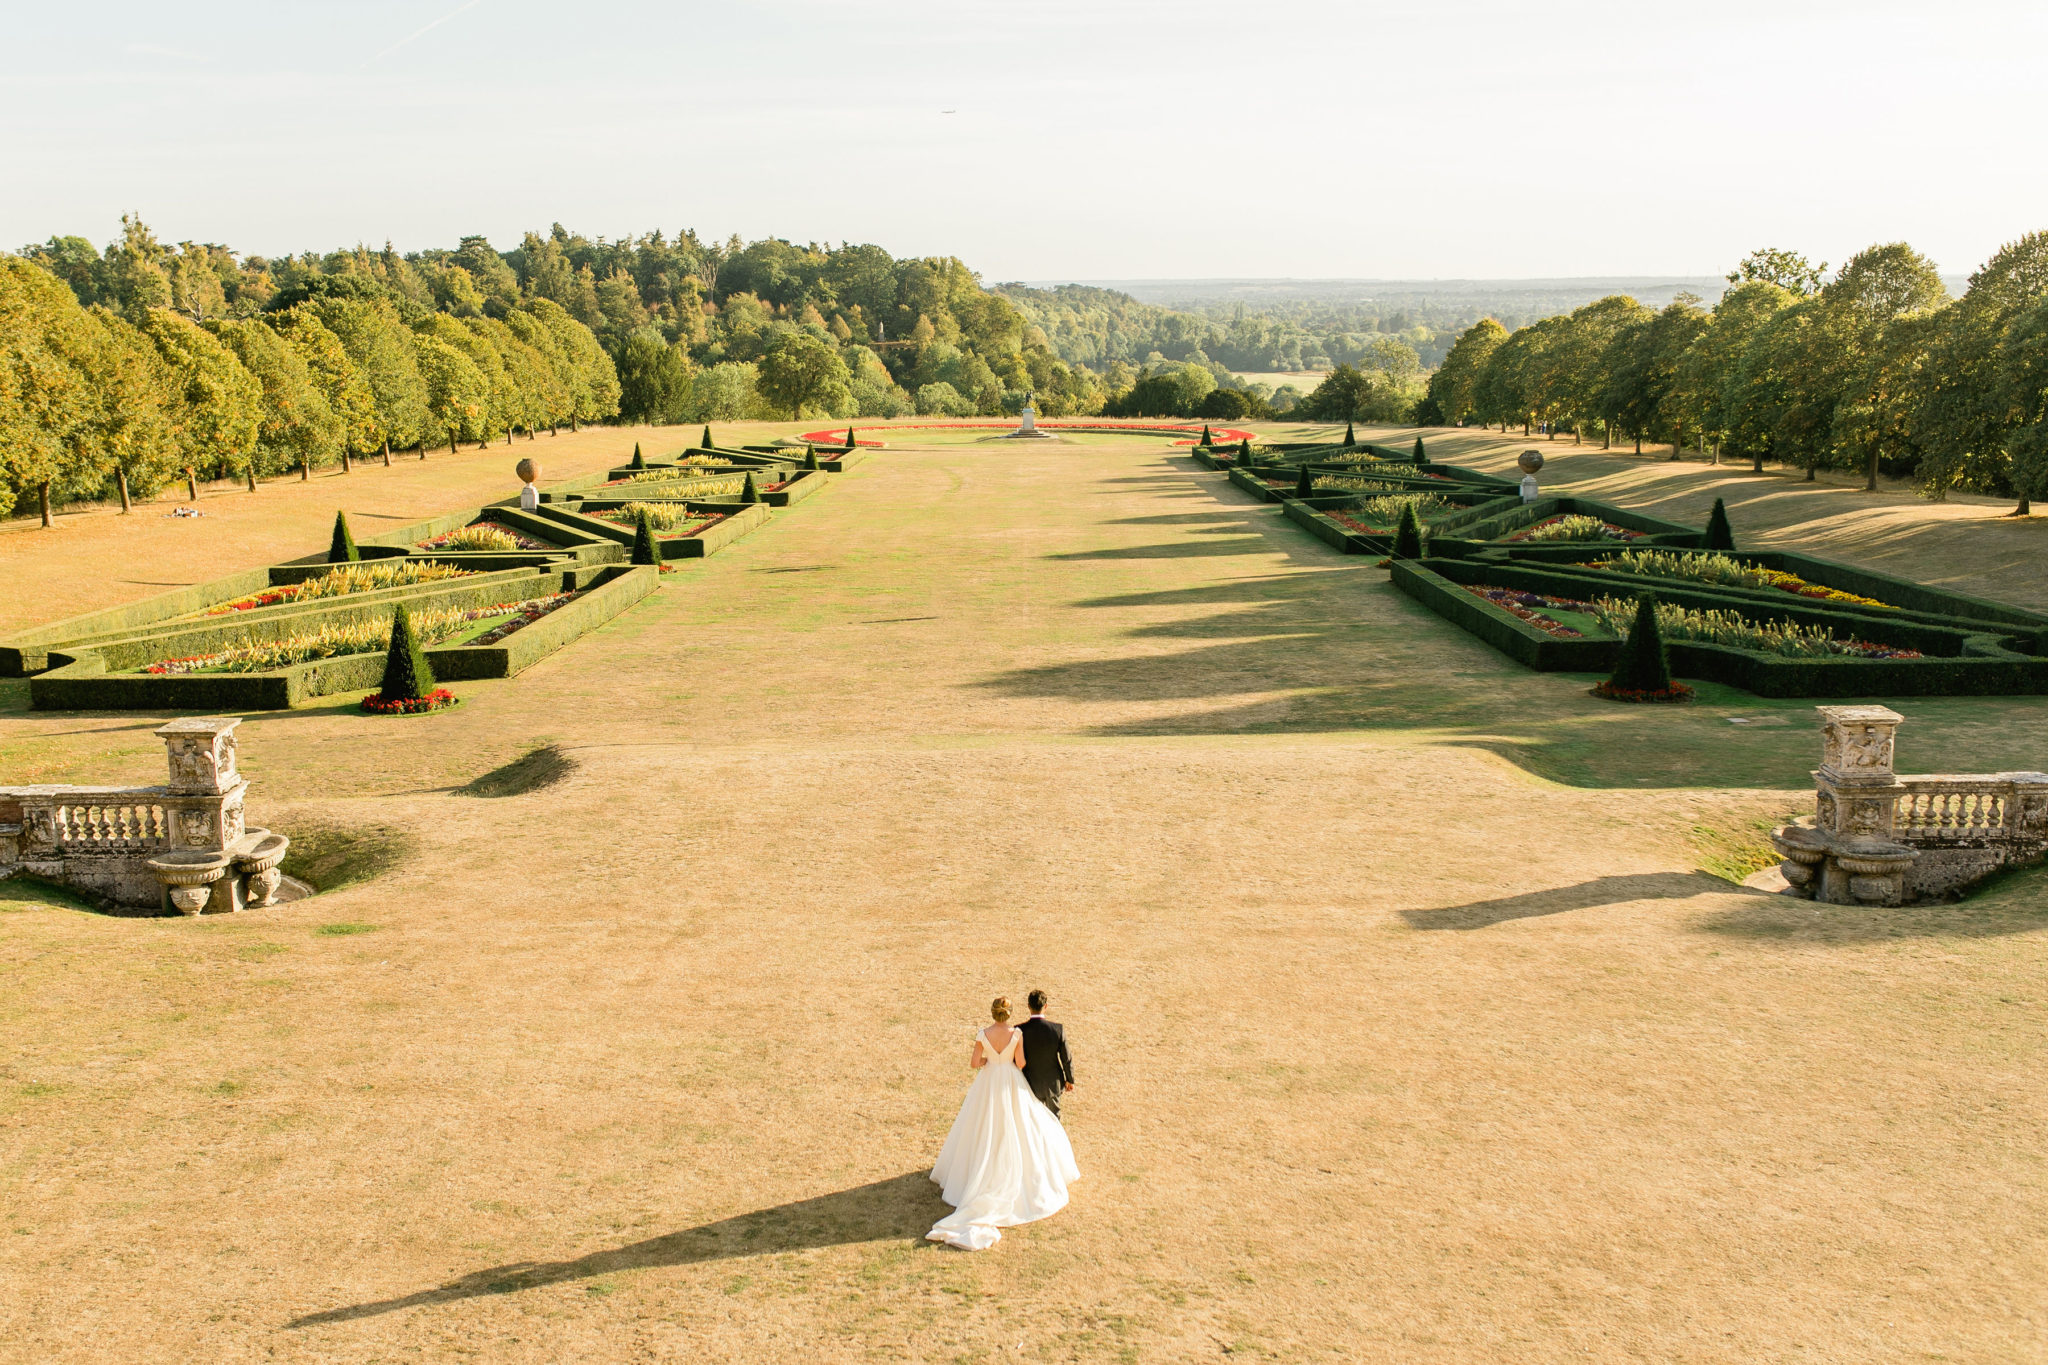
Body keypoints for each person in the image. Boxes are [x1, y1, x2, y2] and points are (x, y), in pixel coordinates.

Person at [927, 995, 1080, 1251]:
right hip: (1010, 1080)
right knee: (1019, 1124)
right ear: (1008, 1014)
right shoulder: (1016, 1034)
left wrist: (989, 1061)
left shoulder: (983, 1034)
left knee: (982, 1125)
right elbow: (1021, 1063)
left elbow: (974, 1062)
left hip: (988, 1081)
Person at [1017, 989, 1074, 1119]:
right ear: (1046, 1006)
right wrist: (1069, 1079)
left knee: (1032, 1120)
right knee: (1054, 1120)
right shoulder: (1057, 1030)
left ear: (1028, 1006)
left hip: (1029, 1083)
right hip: (1052, 1083)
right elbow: (1066, 1058)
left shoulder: (1020, 1030)